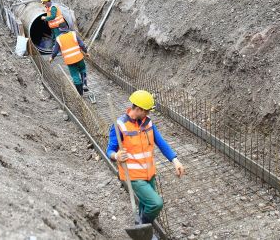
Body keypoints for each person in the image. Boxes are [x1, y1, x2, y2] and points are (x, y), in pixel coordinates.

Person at [106, 90, 185, 226]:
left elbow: (161, 142)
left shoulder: (148, 123)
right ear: (137, 109)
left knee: (145, 204)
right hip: (134, 176)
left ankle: (143, 231)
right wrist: (116, 155)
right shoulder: (120, 126)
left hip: (149, 174)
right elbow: (109, 150)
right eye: (146, 111)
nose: (148, 114)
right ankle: (141, 225)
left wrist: (175, 160)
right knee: (155, 203)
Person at [49, 26, 89, 95]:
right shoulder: (73, 34)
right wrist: (86, 52)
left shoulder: (58, 38)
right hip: (79, 57)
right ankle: (84, 84)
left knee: (75, 75)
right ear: (67, 28)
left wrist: (52, 57)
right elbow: (82, 45)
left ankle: (80, 94)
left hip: (69, 61)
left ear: (60, 29)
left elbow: (55, 51)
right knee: (83, 70)